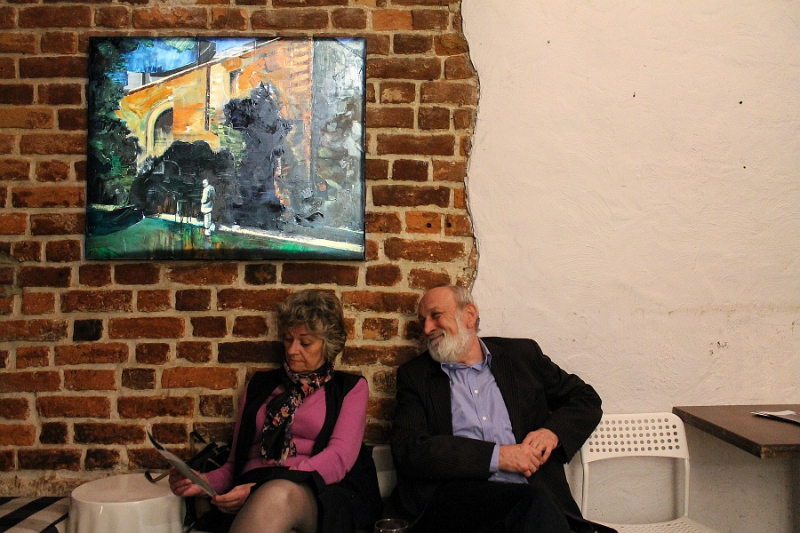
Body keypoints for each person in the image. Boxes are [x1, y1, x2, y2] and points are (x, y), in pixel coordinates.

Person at [390, 285, 615, 533]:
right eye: (423, 321)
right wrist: (498, 457)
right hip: (460, 502)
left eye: (435, 316)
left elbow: (585, 399)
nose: (427, 329)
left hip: (532, 497)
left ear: (469, 315)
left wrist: (552, 433)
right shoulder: (416, 376)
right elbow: (409, 449)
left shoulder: (522, 356)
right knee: (532, 504)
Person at [170, 289, 382, 533]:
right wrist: (203, 482)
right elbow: (235, 464)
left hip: (315, 491)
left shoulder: (350, 388)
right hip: (250, 488)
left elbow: (338, 458)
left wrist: (261, 488)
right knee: (270, 497)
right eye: (288, 339)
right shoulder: (259, 385)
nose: (292, 350)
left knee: (277, 495)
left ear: (329, 345)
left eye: (305, 343)